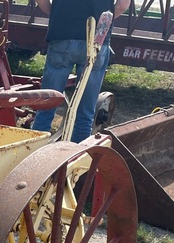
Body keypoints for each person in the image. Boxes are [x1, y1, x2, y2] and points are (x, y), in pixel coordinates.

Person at [32, 0, 131, 143]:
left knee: (46, 105)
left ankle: (33, 155)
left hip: (62, 34)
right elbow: (122, 4)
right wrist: (103, 21)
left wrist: (55, 13)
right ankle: (75, 157)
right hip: (97, 40)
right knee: (85, 114)